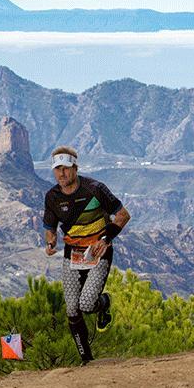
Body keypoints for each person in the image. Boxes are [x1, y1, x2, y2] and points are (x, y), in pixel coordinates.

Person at [42, 146, 130, 365]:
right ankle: (86, 360)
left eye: (66, 168)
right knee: (72, 310)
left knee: (87, 304)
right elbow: (50, 227)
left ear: (75, 168)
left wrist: (105, 239)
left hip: (99, 251)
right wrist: (50, 241)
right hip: (72, 255)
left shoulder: (95, 189)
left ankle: (105, 302)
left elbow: (122, 215)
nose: (61, 174)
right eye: (57, 169)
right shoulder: (52, 197)